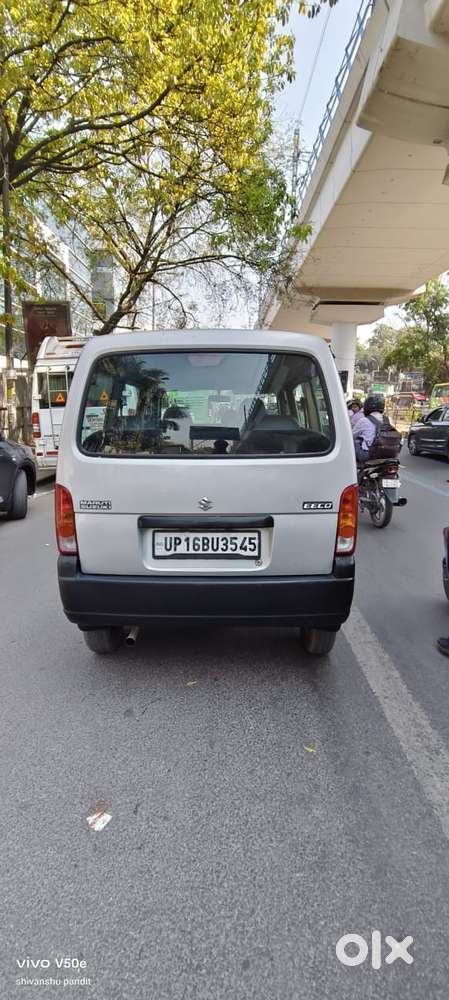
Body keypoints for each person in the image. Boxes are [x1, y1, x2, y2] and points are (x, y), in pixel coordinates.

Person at [353, 393, 385, 463]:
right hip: (388, 454)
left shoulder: (364, 420)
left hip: (369, 455)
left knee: (352, 443)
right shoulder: (388, 420)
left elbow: (351, 436)